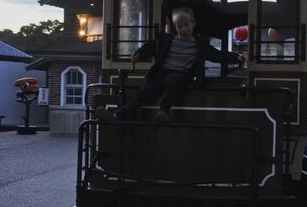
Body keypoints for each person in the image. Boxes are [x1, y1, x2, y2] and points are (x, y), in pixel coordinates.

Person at [96, 7, 245, 123]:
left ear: (193, 24)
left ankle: (164, 112)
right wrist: (139, 54)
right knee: (146, 91)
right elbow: (151, 47)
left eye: (186, 25)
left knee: (171, 80)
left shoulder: (200, 43)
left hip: (182, 74)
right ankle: (117, 115)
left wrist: (236, 57)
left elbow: (216, 55)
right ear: (176, 27)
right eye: (180, 27)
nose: (183, 29)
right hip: (163, 71)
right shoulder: (167, 39)